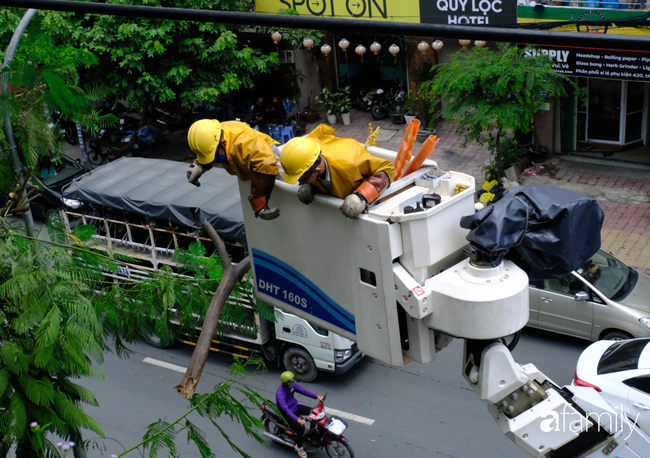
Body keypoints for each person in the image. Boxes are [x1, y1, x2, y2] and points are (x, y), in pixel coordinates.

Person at [280, 124, 396, 219]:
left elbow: (387, 168)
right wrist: (313, 186)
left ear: (317, 170)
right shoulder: (306, 150)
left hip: (350, 166)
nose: (299, 183)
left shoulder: (350, 162)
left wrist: (362, 196)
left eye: (302, 179)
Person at [186, 119, 280, 220]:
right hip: (247, 164)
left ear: (223, 142)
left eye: (214, 156)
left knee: (282, 185)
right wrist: (200, 166)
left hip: (269, 157)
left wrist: (259, 203)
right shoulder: (212, 132)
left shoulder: (246, 142)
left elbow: (266, 164)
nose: (213, 160)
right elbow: (210, 148)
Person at [276, 371, 324, 458]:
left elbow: (303, 391)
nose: (293, 383)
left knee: (313, 412)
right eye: (291, 381)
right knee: (300, 427)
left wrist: (316, 396)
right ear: (285, 383)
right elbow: (286, 410)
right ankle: (299, 447)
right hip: (286, 413)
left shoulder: (292, 386)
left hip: (295, 406)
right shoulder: (280, 394)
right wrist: (297, 419)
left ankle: (311, 434)